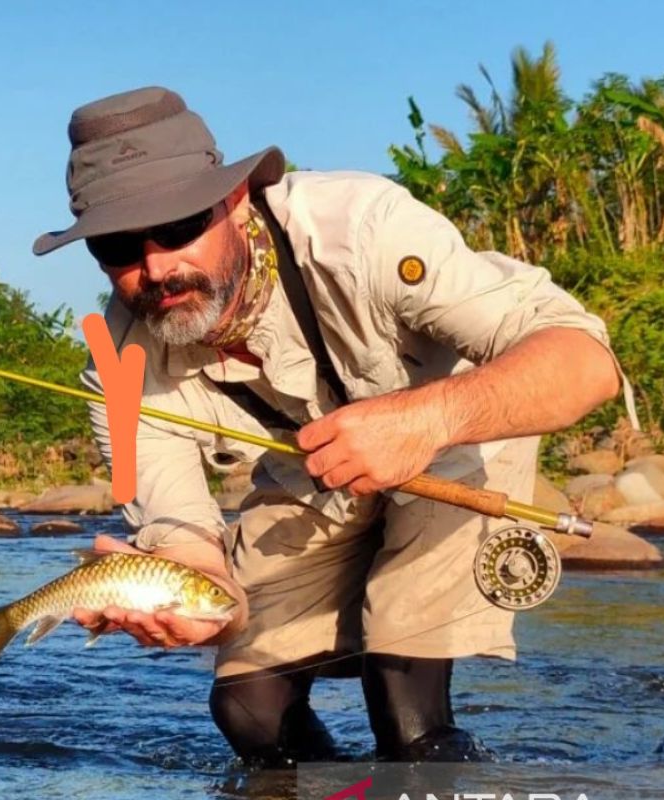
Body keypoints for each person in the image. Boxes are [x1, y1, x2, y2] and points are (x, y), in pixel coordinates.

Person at [31, 86, 624, 764]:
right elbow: (190, 543)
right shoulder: (119, 367)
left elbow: (587, 361)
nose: (158, 267)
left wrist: (429, 418)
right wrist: (195, 600)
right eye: (118, 245)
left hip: (460, 441)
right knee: (247, 712)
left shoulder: (363, 229)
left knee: (405, 711)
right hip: (310, 480)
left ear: (233, 201)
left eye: (178, 226)